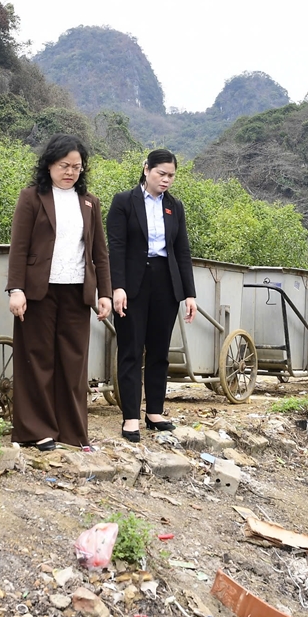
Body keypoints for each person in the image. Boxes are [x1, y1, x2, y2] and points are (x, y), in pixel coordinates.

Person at [6, 134, 112, 450]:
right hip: (38, 291)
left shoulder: (89, 202)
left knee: (73, 362)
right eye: (64, 165)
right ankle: (37, 430)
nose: (70, 172)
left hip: (77, 291)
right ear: (50, 164)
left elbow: (100, 252)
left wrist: (104, 293)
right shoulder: (31, 197)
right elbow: (19, 247)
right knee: (36, 359)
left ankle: (72, 432)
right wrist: (16, 289)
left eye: (76, 167)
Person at [106, 149, 197, 442]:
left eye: (171, 175)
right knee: (131, 349)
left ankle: (155, 412)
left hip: (165, 283)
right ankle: (131, 416)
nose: (166, 180)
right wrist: (117, 287)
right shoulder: (124, 202)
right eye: (161, 173)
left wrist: (190, 294)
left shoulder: (174, 206)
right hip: (133, 283)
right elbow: (116, 247)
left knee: (159, 351)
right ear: (146, 169)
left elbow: (182, 251)